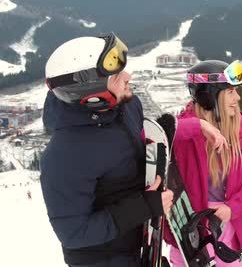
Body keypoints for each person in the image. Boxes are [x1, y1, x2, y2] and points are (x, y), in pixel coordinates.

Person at [41, 34, 173, 267]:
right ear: (93, 94)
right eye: (117, 76)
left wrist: (173, 135)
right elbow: (74, 233)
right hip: (102, 260)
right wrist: (144, 207)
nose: (128, 77)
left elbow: (135, 147)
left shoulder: (127, 106)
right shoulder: (64, 155)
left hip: (138, 247)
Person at [163, 60, 242, 266]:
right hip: (192, 235)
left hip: (231, 232)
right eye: (230, 92)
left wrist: (231, 208)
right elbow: (146, 135)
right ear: (208, 97)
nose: (237, 97)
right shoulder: (181, 134)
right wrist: (196, 127)